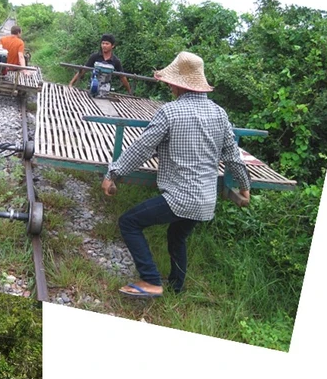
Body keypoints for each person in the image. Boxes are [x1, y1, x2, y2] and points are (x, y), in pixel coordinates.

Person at [102, 51, 251, 298]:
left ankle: (150, 281)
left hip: (180, 198)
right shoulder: (220, 113)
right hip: (205, 200)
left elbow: (142, 148)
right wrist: (244, 185)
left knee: (128, 222)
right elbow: (233, 156)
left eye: (170, 81)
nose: (169, 85)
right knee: (177, 234)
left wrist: (113, 173)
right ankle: (176, 288)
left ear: (177, 84)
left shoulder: (169, 112)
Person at [68, 34, 133, 95]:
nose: (104, 45)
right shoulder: (95, 57)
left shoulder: (115, 61)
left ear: (112, 46)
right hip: (93, 87)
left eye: (107, 44)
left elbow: (122, 77)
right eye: (103, 43)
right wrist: (71, 83)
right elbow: (83, 70)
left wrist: (129, 92)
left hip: (106, 90)